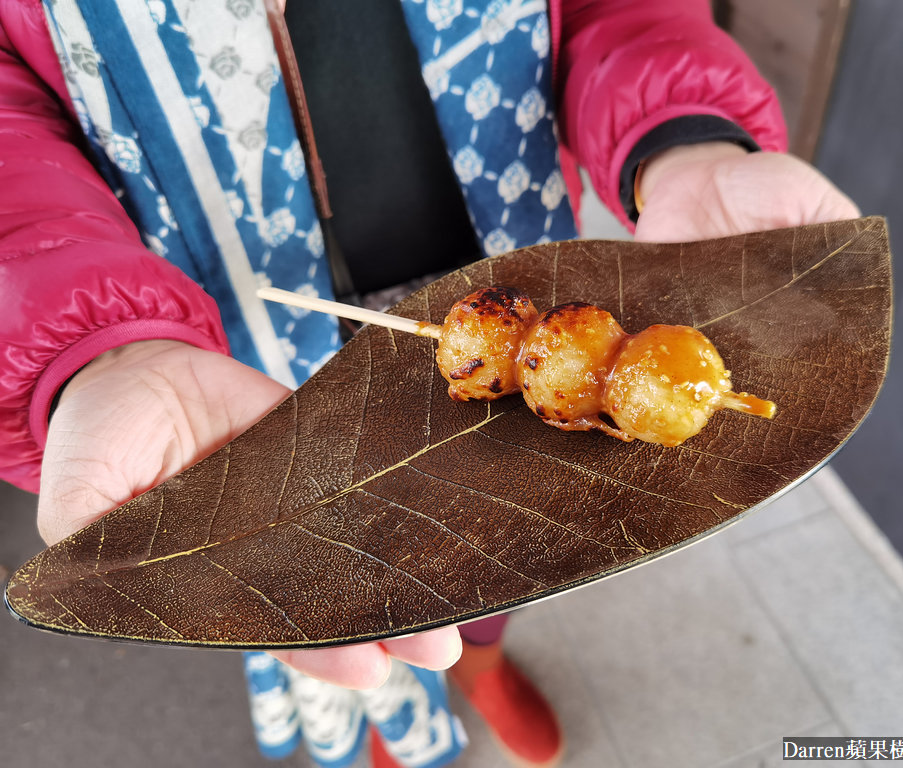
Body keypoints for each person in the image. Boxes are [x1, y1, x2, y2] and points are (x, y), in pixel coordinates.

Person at [0, 0, 858, 766]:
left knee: (497, 539)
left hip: (493, 271)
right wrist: (97, 347)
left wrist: (684, 140)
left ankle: (478, 665)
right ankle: (368, 706)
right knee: (297, 559)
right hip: (224, 338)